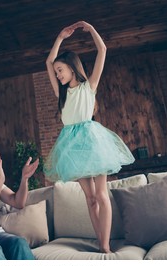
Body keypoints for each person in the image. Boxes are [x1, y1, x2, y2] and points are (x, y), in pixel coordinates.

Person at [44, 21, 135, 253]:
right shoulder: (61, 93)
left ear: (72, 68)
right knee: (90, 198)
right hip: (72, 147)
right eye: (56, 72)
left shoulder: (89, 86)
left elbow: (102, 50)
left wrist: (90, 28)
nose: (57, 74)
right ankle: (100, 240)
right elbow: (48, 61)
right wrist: (60, 37)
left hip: (93, 141)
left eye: (60, 70)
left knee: (101, 195)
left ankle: (105, 247)